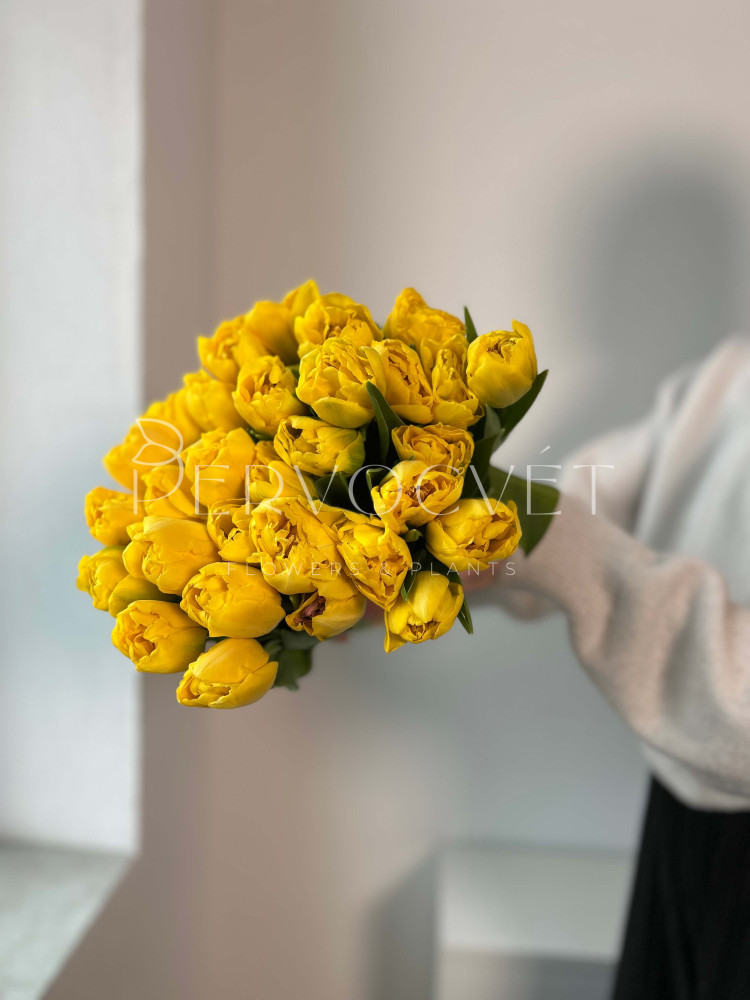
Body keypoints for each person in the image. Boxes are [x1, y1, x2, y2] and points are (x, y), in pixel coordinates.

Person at [469, 334, 750, 999]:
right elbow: (594, 499)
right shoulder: (733, 372)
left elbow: (562, 534)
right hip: (684, 823)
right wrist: (389, 558)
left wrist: (532, 533)